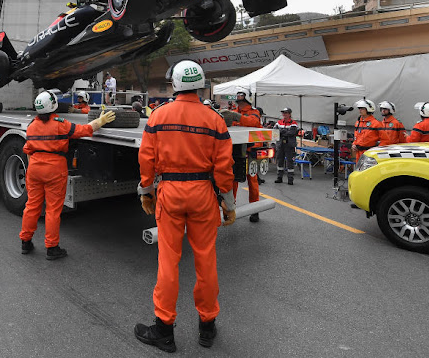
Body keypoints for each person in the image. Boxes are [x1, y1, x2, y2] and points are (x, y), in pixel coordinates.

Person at [134, 60, 235, 352]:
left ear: (175, 84)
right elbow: (224, 167)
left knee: (168, 261)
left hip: (170, 193)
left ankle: (164, 329)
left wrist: (146, 191)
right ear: (201, 84)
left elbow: (146, 159)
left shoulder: (158, 116)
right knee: (206, 260)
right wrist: (227, 202)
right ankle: (207, 326)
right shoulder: (215, 119)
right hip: (203, 193)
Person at [19, 91, 115, 260]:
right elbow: (84, 130)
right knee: (53, 210)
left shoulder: (31, 126)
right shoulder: (60, 124)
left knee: (32, 206)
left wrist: (33, 167)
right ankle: (52, 247)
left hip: (34, 168)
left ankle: (25, 242)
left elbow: (27, 150)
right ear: (53, 105)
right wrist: (100, 121)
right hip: (55, 169)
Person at [230, 87, 263, 222]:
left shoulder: (254, 112)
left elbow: (253, 122)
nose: (240, 103)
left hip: (250, 153)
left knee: (252, 181)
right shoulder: (233, 112)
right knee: (232, 180)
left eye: (241, 100)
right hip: (234, 152)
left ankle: (254, 209)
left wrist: (237, 117)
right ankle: (231, 207)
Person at [274, 107, 298, 185]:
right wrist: (284, 132)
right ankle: (279, 177)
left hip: (289, 145)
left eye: (286, 113)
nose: (284, 114)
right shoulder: (279, 122)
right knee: (280, 161)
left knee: (289, 162)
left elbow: (292, 133)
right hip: (280, 144)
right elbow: (275, 131)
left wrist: (282, 132)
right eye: (283, 113)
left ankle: (290, 179)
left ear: (289, 114)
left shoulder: (293, 123)